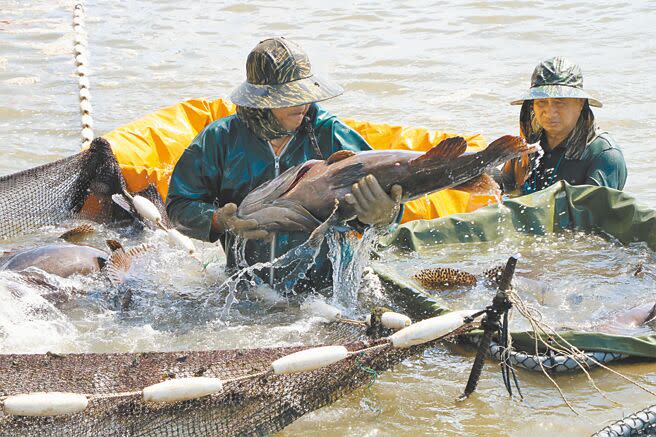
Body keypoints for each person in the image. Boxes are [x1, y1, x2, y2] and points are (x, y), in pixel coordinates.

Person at [166, 37, 402, 291]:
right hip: (248, 287)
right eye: (289, 97)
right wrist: (218, 220)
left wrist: (384, 214)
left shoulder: (330, 134)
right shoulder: (220, 139)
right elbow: (180, 206)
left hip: (325, 291)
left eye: (305, 95)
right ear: (261, 100)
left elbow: (388, 198)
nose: (302, 105)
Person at [500, 57, 627, 195]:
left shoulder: (604, 155)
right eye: (542, 102)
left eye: (559, 102)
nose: (550, 111)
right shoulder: (525, 149)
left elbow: (591, 213)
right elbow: (504, 190)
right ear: (532, 106)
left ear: (580, 104)